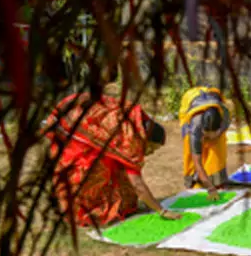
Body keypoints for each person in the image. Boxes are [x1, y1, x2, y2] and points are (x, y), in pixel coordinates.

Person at [46, 93, 182, 228]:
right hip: (75, 133)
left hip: (82, 127)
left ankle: (117, 205)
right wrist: (161, 211)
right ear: (146, 139)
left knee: (115, 166)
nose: (151, 152)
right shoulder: (130, 140)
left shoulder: (135, 121)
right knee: (95, 171)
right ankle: (86, 210)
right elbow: (137, 184)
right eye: (153, 148)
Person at [180, 86, 231, 200]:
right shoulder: (194, 128)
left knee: (217, 149)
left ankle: (217, 180)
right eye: (205, 134)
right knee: (190, 150)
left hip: (211, 97)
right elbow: (196, 161)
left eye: (211, 134)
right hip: (190, 101)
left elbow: (219, 133)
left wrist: (216, 135)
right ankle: (195, 182)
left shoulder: (224, 116)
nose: (207, 137)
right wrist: (210, 189)